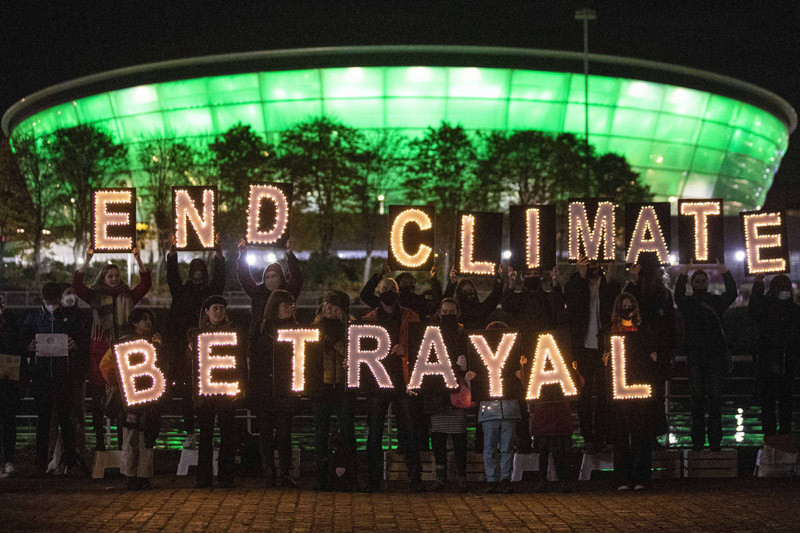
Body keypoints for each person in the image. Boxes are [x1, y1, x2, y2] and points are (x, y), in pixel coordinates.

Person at [72, 246, 151, 450]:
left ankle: (121, 445)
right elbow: (77, 285)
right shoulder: (94, 296)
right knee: (99, 402)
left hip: (124, 355)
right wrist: (87, 259)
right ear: (103, 278)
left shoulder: (129, 296)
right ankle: (100, 444)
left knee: (124, 402)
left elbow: (146, 283)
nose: (114, 279)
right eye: (110, 276)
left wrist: (139, 259)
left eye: (117, 276)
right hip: (101, 355)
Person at [361, 277, 423, 492]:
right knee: (375, 432)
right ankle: (373, 478)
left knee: (410, 430)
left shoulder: (410, 316)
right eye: (384, 289)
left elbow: (421, 344)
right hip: (377, 381)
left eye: (391, 289)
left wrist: (406, 349)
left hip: (404, 379)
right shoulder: (368, 319)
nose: (388, 292)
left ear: (398, 293)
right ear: (378, 293)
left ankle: (415, 478)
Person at [166, 234, 226, 450]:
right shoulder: (181, 292)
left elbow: (220, 280)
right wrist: (172, 254)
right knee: (187, 393)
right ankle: (191, 432)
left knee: (212, 394)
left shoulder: (211, 294)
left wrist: (219, 255)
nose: (198, 278)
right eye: (195, 275)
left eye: (201, 275)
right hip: (186, 352)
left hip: (209, 350)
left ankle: (208, 432)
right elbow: (172, 277)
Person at [23, 281, 88, 473]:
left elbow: (83, 342)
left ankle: (69, 463)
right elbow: (22, 341)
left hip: (64, 376)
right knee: (43, 421)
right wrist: (29, 346)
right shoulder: (34, 318)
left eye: (55, 302)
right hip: (41, 376)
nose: (53, 306)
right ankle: (40, 463)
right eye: (49, 302)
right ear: (43, 300)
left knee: (65, 420)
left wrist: (74, 345)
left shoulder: (70, 317)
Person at [502, 265, 565, 453]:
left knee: (543, 397)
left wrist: (555, 284)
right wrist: (510, 285)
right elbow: (507, 305)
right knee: (522, 396)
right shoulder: (520, 298)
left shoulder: (546, 296)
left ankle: (541, 439)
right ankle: (524, 440)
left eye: (535, 274)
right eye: (528, 274)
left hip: (545, 352)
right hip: (523, 352)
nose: (532, 277)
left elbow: (558, 306)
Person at [99, 308, 163, 490]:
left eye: (149, 319)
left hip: (148, 398)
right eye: (143, 319)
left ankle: (140, 476)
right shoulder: (124, 344)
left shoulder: (153, 343)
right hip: (132, 399)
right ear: (134, 323)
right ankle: (132, 475)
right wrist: (116, 381)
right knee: (131, 437)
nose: (148, 322)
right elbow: (106, 365)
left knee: (145, 438)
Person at [674, 261, 735, 451]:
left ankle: (700, 442)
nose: (700, 283)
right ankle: (711, 442)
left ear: (706, 283)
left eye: (702, 280)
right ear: (693, 284)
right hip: (708, 357)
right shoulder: (713, 302)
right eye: (697, 280)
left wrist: (685, 272)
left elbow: (732, 293)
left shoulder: (689, 304)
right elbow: (732, 293)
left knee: (703, 400)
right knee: (705, 400)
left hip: (700, 357)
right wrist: (724, 271)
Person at [602, 292, 658, 491]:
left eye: (630, 305)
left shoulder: (644, 332)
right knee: (621, 436)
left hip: (640, 390)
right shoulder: (609, 335)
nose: (627, 309)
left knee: (640, 434)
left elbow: (653, 360)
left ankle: (641, 477)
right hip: (620, 393)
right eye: (623, 305)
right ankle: (622, 478)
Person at [187, 295, 245, 489]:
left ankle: (226, 476)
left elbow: (241, 362)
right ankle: (203, 477)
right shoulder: (196, 335)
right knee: (206, 435)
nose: (219, 312)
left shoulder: (235, 333)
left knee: (228, 435)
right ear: (207, 312)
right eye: (215, 308)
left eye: (221, 308)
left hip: (227, 392)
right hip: (206, 394)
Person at [564, 257, 620, 454]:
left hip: (603, 346)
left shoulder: (608, 284)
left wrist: (610, 280)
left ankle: (602, 438)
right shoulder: (575, 284)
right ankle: (588, 438)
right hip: (583, 347)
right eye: (588, 264)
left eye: (595, 263)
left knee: (605, 394)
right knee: (584, 395)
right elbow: (572, 304)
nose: (593, 267)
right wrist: (580, 278)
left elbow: (616, 306)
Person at [248, 290, 300, 488]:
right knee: (266, 433)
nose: (289, 308)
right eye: (285, 304)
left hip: (286, 390)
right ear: (275, 306)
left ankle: (285, 472)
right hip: (264, 389)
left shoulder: (296, 328)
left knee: (285, 434)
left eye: (291, 305)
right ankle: (269, 471)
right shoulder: (261, 327)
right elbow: (252, 358)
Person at [422, 298, 473, 492]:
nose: (448, 315)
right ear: (439, 313)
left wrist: (465, 364)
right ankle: (441, 475)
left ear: (458, 312)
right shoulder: (431, 333)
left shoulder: (463, 333)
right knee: (438, 437)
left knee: (459, 435)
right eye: (445, 311)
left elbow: (472, 354)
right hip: (436, 390)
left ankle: (461, 476)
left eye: (452, 311)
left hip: (456, 390)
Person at [623, 255, 676, 443]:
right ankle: (649, 436)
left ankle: (644, 435)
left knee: (646, 397)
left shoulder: (646, 293)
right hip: (648, 352)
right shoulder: (662, 294)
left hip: (642, 352)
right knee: (653, 397)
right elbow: (670, 326)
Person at [309, 290, 357, 491]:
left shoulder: (352, 327)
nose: (328, 307)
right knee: (320, 431)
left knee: (347, 430)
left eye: (333, 304)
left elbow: (354, 353)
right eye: (326, 303)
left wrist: (336, 343)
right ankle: (322, 476)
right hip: (323, 385)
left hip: (344, 386)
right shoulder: (315, 326)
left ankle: (349, 475)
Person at [748, 274, 800, 437]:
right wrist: (758, 284)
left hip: (776, 360)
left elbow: (754, 309)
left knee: (775, 401)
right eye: (783, 287)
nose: (785, 291)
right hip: (779, 360)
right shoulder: (789, 309)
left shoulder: (787, 309)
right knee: (779, 400)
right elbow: (755, 308)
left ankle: (776, 434)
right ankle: (778, 434)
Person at [475, 321, 524, 494]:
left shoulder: (480, 354)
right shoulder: (514, 355)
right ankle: (499, 479)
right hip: (502, 409)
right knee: (500, 448)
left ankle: (498, 479)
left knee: (497, 448)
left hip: (498, 409)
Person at [530, 360, 583, 493]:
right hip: (549, 415)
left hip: (555, 416)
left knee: (557, 450)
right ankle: (551, 480)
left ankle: (559, 480)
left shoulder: (559, 365)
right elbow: (579, 384)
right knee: (546, 450)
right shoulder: (539, 365)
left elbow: (578, 384)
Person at [236, 239, 303, 336]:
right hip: (260, 337)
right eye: (267, 277)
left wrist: (290, 255)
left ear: (281, 278)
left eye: (274, 276)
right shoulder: (258, 293)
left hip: (286, 334)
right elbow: (244, 277)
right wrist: (243, 255)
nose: (270, 280)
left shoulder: (288, 292)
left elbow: (297, 277)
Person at [360, 263, 442, 319]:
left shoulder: (419, 302)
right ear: (397, 288)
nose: (407, 286)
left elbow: (436, 302)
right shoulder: (387, 303)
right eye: (404, 283)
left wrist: (434, 279)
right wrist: (378, 276)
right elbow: (365, 295)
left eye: (410, 283)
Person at [0, 295, 24, 478]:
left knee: (8, 422)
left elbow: (18, 351)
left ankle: (8, 459)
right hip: (8, 378)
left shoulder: (11, 324)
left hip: (8, 381)